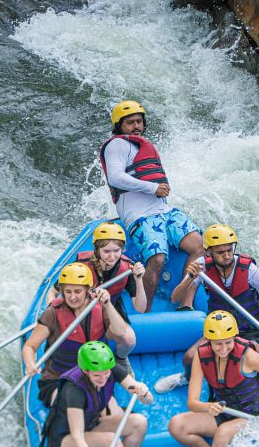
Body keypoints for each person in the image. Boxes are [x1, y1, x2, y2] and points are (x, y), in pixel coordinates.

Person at [155, 223, 259, 393]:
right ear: (209, 252)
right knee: (189, 357)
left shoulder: (249, 270)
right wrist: (190, 277)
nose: (226, 256)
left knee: (237, 358)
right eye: (220, 252)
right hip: (218, 330)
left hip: (252, 332)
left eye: (229, 250)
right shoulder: (201, 266)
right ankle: (186, 378)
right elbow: (175, 298)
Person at [98, 99, 203, 309]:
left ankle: (185, 302)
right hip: (140, 216)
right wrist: (153, 188)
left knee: (198, 246)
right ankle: (144, 309)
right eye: (130, 123)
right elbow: (116, 178)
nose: (136, 126)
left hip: (164, 211)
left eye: (139, 122)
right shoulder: (117, 144)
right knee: (157, 260)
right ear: (120, 126)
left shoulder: (143, 146)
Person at [168, 312, 259, 447]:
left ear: (234, 338)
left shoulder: (248, 357)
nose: (224, 349)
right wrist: (208, 407)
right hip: (226, 413)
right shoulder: (201, 356)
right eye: (218, 344)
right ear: (208, 340)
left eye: (228, 342)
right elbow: (192, 402)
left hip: (257, 417)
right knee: (176, 425)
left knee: (223, 432)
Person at [41, 340, 154, 447]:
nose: (103, 379)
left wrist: (144, 393)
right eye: (96, 376)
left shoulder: (111, 369)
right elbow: (77, 435)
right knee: (112, 440)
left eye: (106, 374)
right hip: (65, 438)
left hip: (91, 424)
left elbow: (147, 400)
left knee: (140, 422)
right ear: (85, 371)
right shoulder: (74, 389)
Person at [23, 262, 129, 407]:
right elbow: (30, 346)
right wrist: (30, 363)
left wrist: (108, 304)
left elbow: (120, 332)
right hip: (59, 377)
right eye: (68, 292)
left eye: (77, 291)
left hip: (95, 374)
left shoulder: (99, 305)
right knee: (72, 407)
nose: (72, 297)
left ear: (88, 289)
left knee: (109, 411)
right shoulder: (53, 313)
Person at [47, 222, 146, 372]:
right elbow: (53, 292)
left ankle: (120, 359)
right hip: (81, 308)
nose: (112, 256)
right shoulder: (81, 265)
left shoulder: (128, 268)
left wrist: (139, 280)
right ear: (97, 250)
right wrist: (54, 314)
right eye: (106, 251)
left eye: (117, 250)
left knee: (129, 339)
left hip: (109, 306)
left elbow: (141, 308)